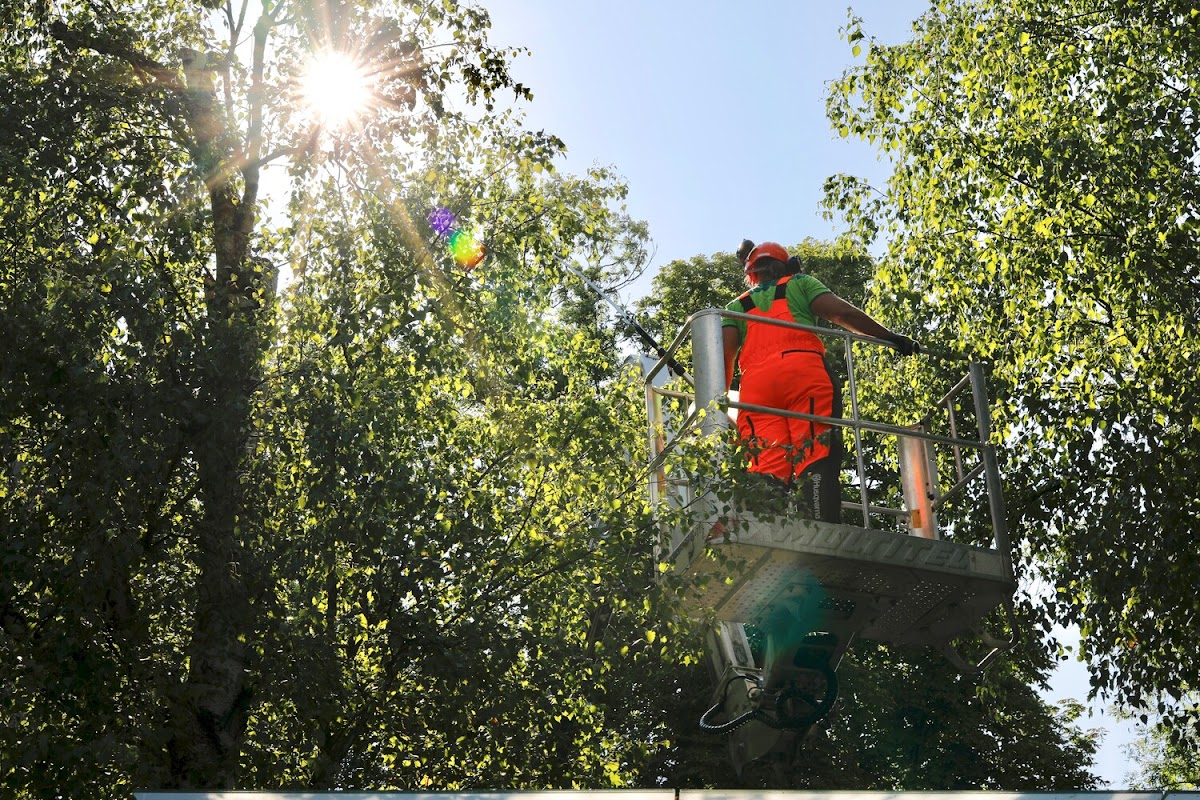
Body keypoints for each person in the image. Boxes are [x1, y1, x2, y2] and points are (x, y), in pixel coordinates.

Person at [723, 241, 918, 522]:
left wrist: (715, 407)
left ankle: (762, 528)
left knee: (765, 463)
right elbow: (842, 314)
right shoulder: (800, 283)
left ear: (752, 274)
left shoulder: (736, 306)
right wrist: (890, 337)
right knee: (815, 451)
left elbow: (724, 360)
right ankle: (819, 525)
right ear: (788, 266)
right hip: (804, 375)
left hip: (756, 390)